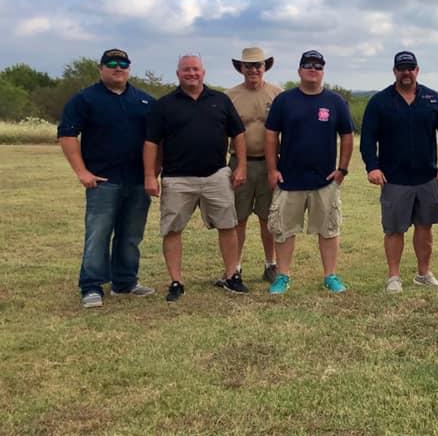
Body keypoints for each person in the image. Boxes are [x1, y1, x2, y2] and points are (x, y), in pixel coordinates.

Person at [144, 54, 248, 302]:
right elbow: (151, 142)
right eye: (186, 70)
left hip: (216, 175)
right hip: (177, 179)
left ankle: (232, 275)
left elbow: (238, 134)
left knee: (227, 226)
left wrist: (241, 165)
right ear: (178, 74)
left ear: (204, 72)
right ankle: (176, 281)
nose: (192, 74)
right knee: (172, 229)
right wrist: (150, 175)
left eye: (196, 69)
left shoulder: (220, 100)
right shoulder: (165, 105)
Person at [58, 49, 156, 308]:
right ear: (101, 68)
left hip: (137, 180)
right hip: (103, 180)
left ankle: (125, 281)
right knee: (98, 234)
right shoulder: (85, 99)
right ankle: (91, 285)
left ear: (129, 68)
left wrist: (152, 174)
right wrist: (82, 172)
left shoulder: (144, 101)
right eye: (111, 63)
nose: (118, 67)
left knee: (131, 235)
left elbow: (156, 140)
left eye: (123, 63)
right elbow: (67, 135)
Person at [360, 51, 438, 293]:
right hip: (394, 178)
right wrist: (373, 167)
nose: (406, 73)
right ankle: (394, 277)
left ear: (417, 70)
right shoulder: (380, 101)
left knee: (425, 227)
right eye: (402, 68)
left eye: (410, 68)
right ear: (394, 72)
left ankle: (423, 274)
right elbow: (367, 138)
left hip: (426, 177)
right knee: (394, 229)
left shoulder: (433, 99)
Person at [264, 51, 354, 295]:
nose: (313, 69)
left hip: (324, 181)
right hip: (289, 179)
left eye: (318, 66)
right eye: (308, 65)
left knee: (328, 230)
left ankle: (330, 276)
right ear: (299, 70)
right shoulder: (284, 101)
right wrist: (272, 169)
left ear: (323, 71)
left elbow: (347, 136)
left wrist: (342, 169)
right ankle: (283, 276)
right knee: (283, 230)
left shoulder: (335, 102)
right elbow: (271, 136)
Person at [226, 47, 283, 283]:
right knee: (237, 218)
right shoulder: (229, 96)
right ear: (241, 68)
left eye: (257, 65)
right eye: (248, 65)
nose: (253, 70)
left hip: (268, 164)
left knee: (267, 218)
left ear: (265, 67)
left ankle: (271, 264)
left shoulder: (278, 94)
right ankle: (235, 266)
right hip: (240, 164)